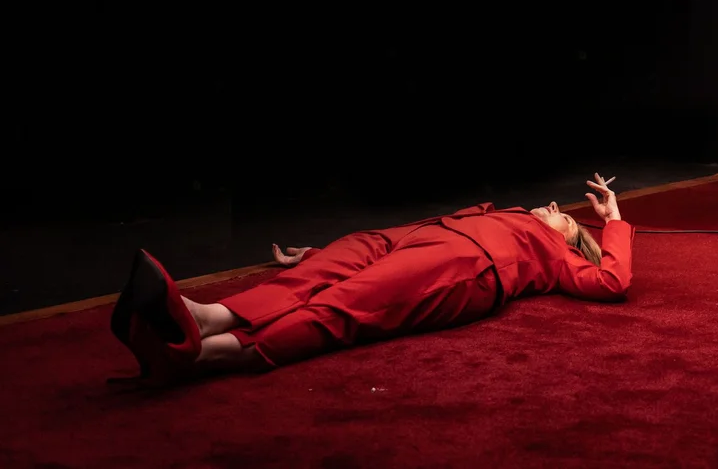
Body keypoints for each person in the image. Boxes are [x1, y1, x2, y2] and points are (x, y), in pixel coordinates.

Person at [110, 174, 632, 384]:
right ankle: (208, 316)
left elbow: (613, 281)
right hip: (417, 236)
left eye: (564, 218)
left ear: (570, 242)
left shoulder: (555, 254)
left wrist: (610, 219)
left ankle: (205, 354)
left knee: (346, 304)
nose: (553, 208)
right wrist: (319, 259)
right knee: (331, 267)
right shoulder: (505, 212)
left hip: (463, 266)